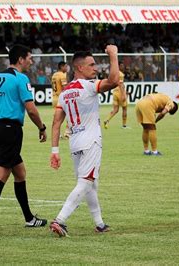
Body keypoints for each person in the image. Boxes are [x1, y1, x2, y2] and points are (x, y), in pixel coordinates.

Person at [0, 44, 48, 232]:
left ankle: (29, 218)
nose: (31, 61)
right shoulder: (21, 79)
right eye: (29, 57)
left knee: (20, 173)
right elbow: (31, 109)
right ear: (21, 59)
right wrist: (42, 127)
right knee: (1, 175)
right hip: (11, 130)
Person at [49, 45, 120, 237]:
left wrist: (55, 151)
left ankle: (100, 223)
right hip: (91, 142)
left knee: (91, 183)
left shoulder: (64, 93)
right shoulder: (88, 86)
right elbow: (114, 80)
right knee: (85, 183)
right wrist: (113, 55)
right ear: (79, 68)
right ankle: (59, 220)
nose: (95, 68)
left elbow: (56, 123)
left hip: (75, 142)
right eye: (91, 65)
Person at [104, 62, 129, 129]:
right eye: (121, 65)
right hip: (120, 93)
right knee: (125, 109)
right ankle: (124, 125)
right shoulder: (120, 74)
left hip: (115, 92)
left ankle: (107, 120)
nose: (123, 67)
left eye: (123, 65)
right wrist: (123, 94)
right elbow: (120, 84)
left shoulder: (114, 73)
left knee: (115, 110)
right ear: (118, 66)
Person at [51, 61, 70, 138]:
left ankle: (57, 133)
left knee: (57, 118)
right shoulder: (62, 75)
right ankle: (68, 132)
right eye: (65, 66)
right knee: (70, 114)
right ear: (61, 67)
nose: (66, 68)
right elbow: (64, 87)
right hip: (61, 98)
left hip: (54, 98)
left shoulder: (54, 75)